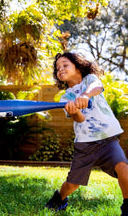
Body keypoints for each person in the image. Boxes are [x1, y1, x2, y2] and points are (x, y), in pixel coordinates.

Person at [45, 52, 128, 216]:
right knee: (72, 184)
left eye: (65, 65)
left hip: (108, 140)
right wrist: (75, 111)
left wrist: (85, 95)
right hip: (85, 144)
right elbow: (80, 119)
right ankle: (59, 198)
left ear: (78, 67)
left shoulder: (90, 80)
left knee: (124, 169)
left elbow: (96, 87)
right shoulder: (66, 97)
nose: (60, 69)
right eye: (57, 68)